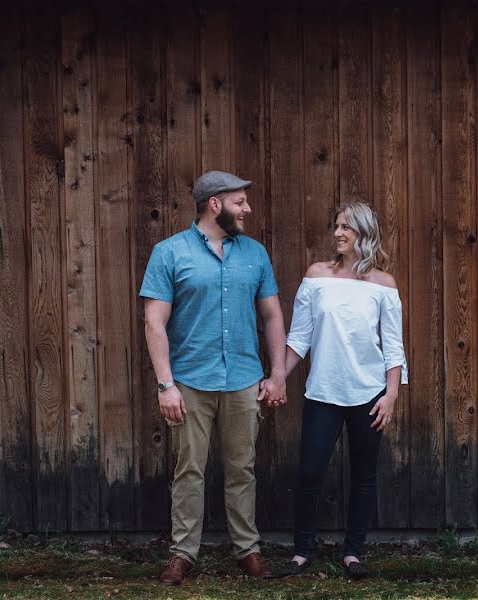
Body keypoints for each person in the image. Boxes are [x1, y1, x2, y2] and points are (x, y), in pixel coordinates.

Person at [140, 171, 287, 585]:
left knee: (243, 468)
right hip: (189, 382)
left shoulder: (255, 254)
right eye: (241, 202)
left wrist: (278, 375)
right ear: (215, 204)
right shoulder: (169, 253)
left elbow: (272, 316)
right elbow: (154, 322)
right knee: (190, 470)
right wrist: (166, 384)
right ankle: (183, 554)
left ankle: (248, 551)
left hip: (243, 378)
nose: (248, 210)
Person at [273, 202, 408, 579]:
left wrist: (391, 394)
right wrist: (278, 376)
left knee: (364, 475)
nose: (338, 233)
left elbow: (393, 346)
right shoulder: (316, 277)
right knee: (310, 472)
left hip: (369, 395)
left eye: (346, 226)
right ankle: (302, 551)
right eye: (336, 226)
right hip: (323, 392)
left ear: (365, 232)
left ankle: (353, 553)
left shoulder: (384, 285)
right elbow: (300, 338)